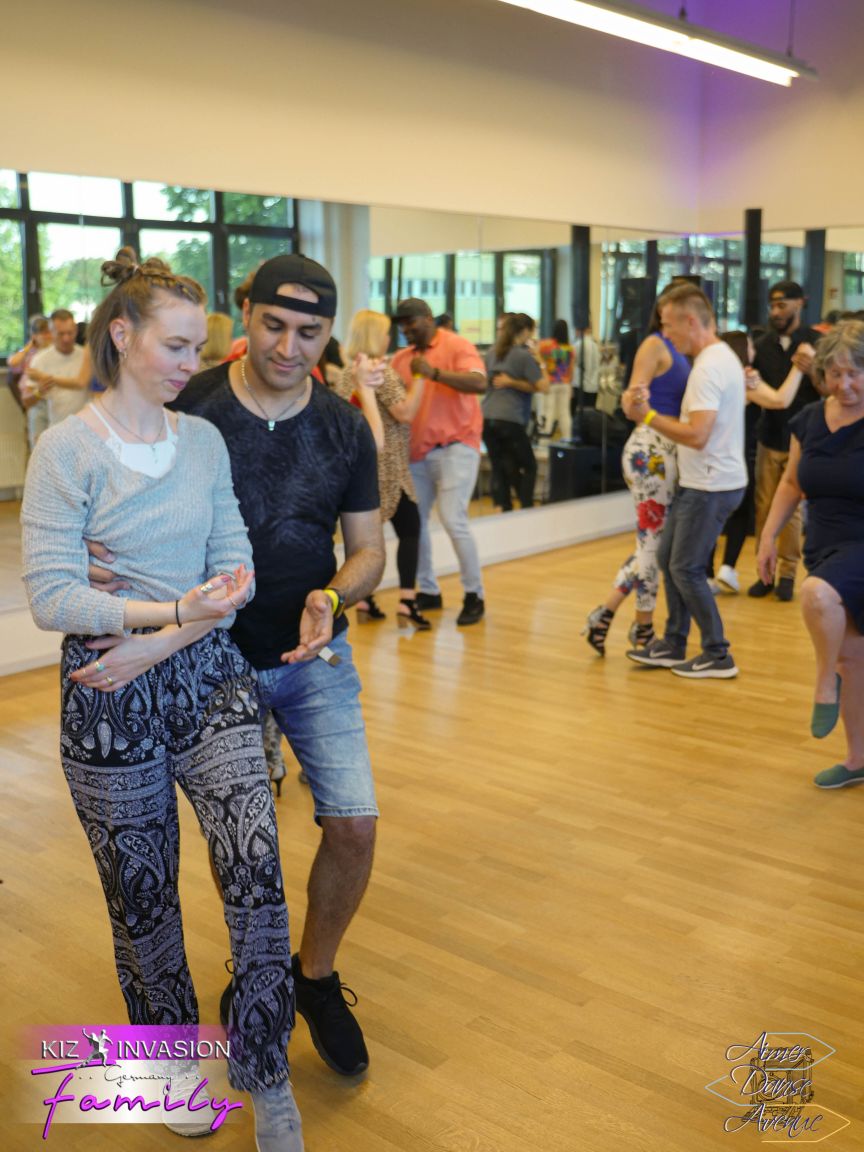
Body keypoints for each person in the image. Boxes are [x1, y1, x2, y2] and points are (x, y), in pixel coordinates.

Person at [21, 248, 303, 1150]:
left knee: (255, 871)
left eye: (197, 347)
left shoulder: (203, 442)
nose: (193, 363)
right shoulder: (66, 450)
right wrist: (175, 610)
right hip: (106, 695)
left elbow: (235, 570)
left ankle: (265, 1071)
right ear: (122, 335)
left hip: (202, 674)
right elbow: (53, 598)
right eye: (177, 346)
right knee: (141, 900)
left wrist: (165, 633)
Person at [164, 253, 384, 1079]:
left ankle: (313, 977)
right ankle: (256, 967)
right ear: (247, 314)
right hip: (211, 655)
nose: (289, 347)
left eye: (309, 331)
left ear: (329, 334)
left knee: (354, 826)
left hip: (313, 653)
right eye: (274, 325)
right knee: (243, 842)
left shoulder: (344, 427)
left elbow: (369, 551)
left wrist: (334, 594)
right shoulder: (191, 409)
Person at [757, 321, 864, 789]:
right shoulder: (809, 419)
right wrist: (767, 536)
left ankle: (822, 684)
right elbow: (791, 483)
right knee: (853, 658)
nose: (845, 385)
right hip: (824, 544)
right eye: (835, 374)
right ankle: (858, 758)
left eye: (855, 373)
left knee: (817, 595)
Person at [623, 282, 746, 678]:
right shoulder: (714, 358)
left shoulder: (709, 366)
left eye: (668, 325)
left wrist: (646, 416)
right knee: (667, 559)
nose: (666, 334)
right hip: (702, 481)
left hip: (712, 484)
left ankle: (717, 653)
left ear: (690, 321)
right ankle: (674, 643)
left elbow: (697, 435)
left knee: (686, 568)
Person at [583, 287, 689, 656]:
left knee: (652, 544)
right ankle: (643, 629)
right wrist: (640, 404)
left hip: (670, 450)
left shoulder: (685, 347)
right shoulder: (654, 345)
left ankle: (604, 614)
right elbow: (632, 401)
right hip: (651, 451)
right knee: (652, 545)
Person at [391, 297, 488, 626]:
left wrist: (434, 373)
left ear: (428, 318)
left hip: (456, 445)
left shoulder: (456, 345)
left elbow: (479, 382)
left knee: (452, 518)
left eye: (411, 322)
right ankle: (428, 591)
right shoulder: (400, 359)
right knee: (414, 525)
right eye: (401, 325)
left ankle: (474, 594)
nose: (406, 329)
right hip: (416, 454)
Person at [336, 309, 431, 630]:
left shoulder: (346, 374)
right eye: (386, 332)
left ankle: (364, 597)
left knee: (364, 539)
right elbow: (405, 412)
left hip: (358, 466)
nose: (390, 337)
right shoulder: (381, 373)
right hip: (388, 466)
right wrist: (421, 378)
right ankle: (407, 600)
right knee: (410, 529)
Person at [710, 329, 812, 594]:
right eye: (750, 347)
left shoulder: (731, 376)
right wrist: (798, 368)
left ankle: (721, 571)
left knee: (724, 514)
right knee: (740, 512)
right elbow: (780, 400)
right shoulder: (742, 378)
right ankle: (726, 571)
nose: (754, 351)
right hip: (735, 454)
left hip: (728, 454)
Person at [748, 281, 822, 602]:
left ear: (799, 303)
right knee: (764, 505)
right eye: (772, 305)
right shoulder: (762, 344)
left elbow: (829, 390)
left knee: (793, 509)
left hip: (803, 438)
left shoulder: (817, 343)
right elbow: (759, 392)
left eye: (782, 305)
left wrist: (813, 371)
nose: (776, 312)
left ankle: (788, 572)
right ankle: (763, 570)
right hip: (769, 434)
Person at [482, 313, 545, 511]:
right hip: (510, 418)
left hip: (488, 417)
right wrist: (540, 361)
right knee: (529, 466)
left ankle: (504, 508)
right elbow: (544, 386)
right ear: (525, 331)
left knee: (501, 465)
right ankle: (526, 507)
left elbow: (489, 383)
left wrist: (511, 382)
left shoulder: (492, 353)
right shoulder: (523, 356)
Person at [21, 308, 90, 430]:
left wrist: (44, 377)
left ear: (76, 330)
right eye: (61, 334)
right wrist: (39, 392)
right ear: (51, 332)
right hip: (55, 427)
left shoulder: (86, 356)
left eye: (70, 333)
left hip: (85, 427)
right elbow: (26, 401)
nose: (66, 338)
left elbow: (81, 383)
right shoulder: (40, 359)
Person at [7, 315, 52, 441]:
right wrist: (29, 346)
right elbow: (13, 362)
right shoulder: (29, 352)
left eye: (50, 332)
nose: (48, 336)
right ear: (34, 336)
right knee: (36, 437)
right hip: (34, 398)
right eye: (44, 333)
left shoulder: (55, 350)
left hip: (51, 398)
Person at [538, 318, 574, 440]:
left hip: (550, 383)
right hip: (565, 384)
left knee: (548, 412)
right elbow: (571, 369)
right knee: (565, 413)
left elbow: (537, 357)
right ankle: (567, 438)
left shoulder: (546, 346)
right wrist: (569, 384)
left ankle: (544, 440)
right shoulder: (570, 349)